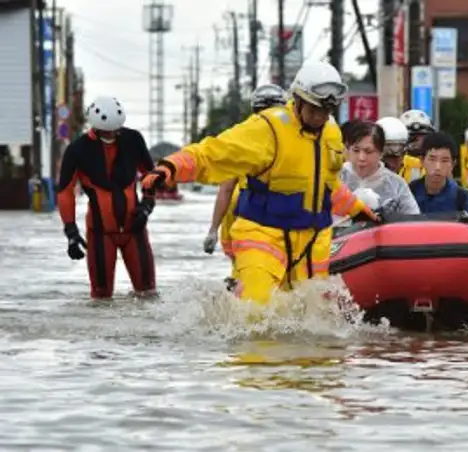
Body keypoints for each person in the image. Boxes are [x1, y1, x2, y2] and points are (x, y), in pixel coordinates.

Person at [141, 61, 379, 305]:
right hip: (263, 236)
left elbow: (327, 187)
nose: (320, 117)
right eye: (314, 109)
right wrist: (170, 168)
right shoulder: (267, 129)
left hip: (311, 244)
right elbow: (213, 153)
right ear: (297, 99)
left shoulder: (331, 133)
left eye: (326, 111)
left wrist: (359, 211)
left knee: (311, 321)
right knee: (256, 314)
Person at [56, 95, 157, 299]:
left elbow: (151, 176)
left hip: (134, 229)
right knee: (101, 298)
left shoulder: (133, 140)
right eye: (106, 132)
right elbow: (65, 191)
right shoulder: (77, 150)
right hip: (100, 233)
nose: (111, 135)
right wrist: (71, 232)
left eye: (115, 130)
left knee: (148, 293)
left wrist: (146, 207)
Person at [202, 84, 287, 288]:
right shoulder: (293, 137)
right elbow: (227, 188)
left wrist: (213, 229)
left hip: (248, 216)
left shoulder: (244, 137)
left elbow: (226, 188)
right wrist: (213, 229)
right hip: (255, 214)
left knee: (247, 269)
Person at [339, 120, 420, 219]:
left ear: (381, 153)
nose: (361, 157)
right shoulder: (336, 177)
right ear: (348, 149)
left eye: (368, 151)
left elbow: (413, 220)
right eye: (356, 150)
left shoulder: (396, 184)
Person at [410, 131, 468, 215]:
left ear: (453, 164)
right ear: (422, 160)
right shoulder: (408, 194)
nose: (437, 167)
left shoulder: (463, 199)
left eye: (444, 161)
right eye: (432, 159)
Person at [394, 109, 434, 182]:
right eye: (413, 138)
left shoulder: (437, 164)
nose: (419, 143)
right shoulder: (393, 165)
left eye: (423, 137)